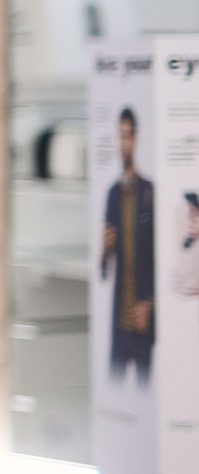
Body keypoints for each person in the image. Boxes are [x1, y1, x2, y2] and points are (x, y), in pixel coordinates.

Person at [101, 107, 155, 383]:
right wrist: (105, 249)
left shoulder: (149, 193)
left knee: (148, 393)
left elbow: (159, 255)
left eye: (128, 136)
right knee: (115, 388)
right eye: (120, 136)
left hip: (142, 320)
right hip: (119, 324)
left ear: (136, 138)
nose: (124, 143)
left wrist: (150, 303)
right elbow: (103, 270)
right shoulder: (112, 194)